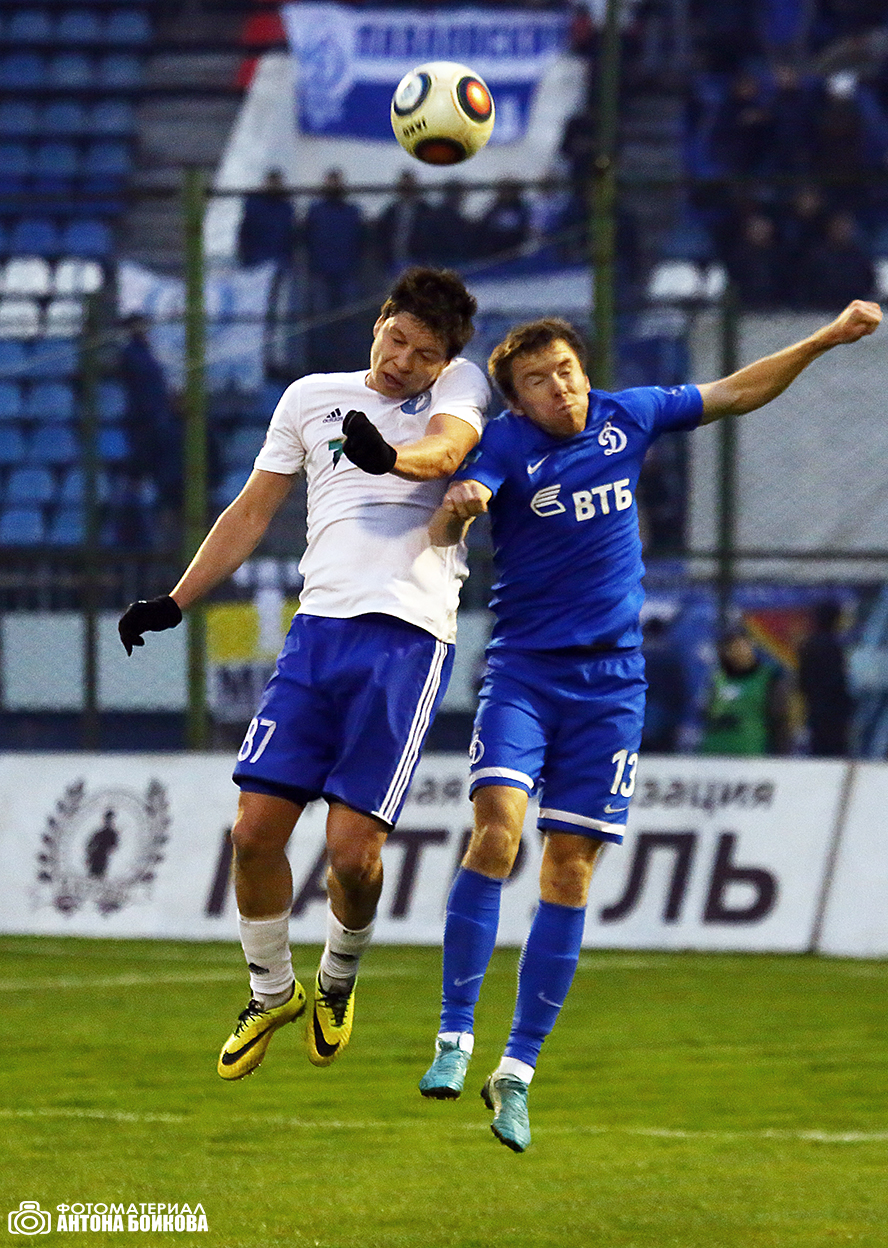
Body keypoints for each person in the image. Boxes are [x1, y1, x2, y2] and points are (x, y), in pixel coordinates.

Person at [418, 299, 882, 1152]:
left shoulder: (628, 415)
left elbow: (737, 392)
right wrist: (459, 508)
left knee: (569, 870)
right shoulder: (505, 447)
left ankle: (516, 1073)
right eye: (537, 381)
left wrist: (825, 337)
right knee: (497, 832)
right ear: (515, 400)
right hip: (525, 672)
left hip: (613, 686)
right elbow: (451, 515)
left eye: (566, 371)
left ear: (584, 371)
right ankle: (454, 1035)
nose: (559, 388)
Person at [117, 267, 489, 1080]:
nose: (404, 362)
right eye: (397, 340)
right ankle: (270, 991)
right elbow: (252, 511)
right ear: (379, 322)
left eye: (424, 355)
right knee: (252, 834)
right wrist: (176, 600)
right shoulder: (309, 397)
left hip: (406, 641)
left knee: (352, 856)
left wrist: (390, 456)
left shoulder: (460, 386)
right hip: (316, 633)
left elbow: (446, 450)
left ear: (444, 361)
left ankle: (338, 978)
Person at [698, 624, 791, 756]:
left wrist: (781, 755)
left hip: (752, 754)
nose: (736, 651)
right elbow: (706, 712)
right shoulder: (717, 678)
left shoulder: (769, 677)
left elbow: (780, 719)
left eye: (740, 645)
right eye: (730, 647)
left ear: (751, 645)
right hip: (714, 753)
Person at [798, 599, 853, 757]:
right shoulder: (834, 647)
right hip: (834, 714)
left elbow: (803, 683)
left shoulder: (808, 645)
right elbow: (839, 681)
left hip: (815, 710)